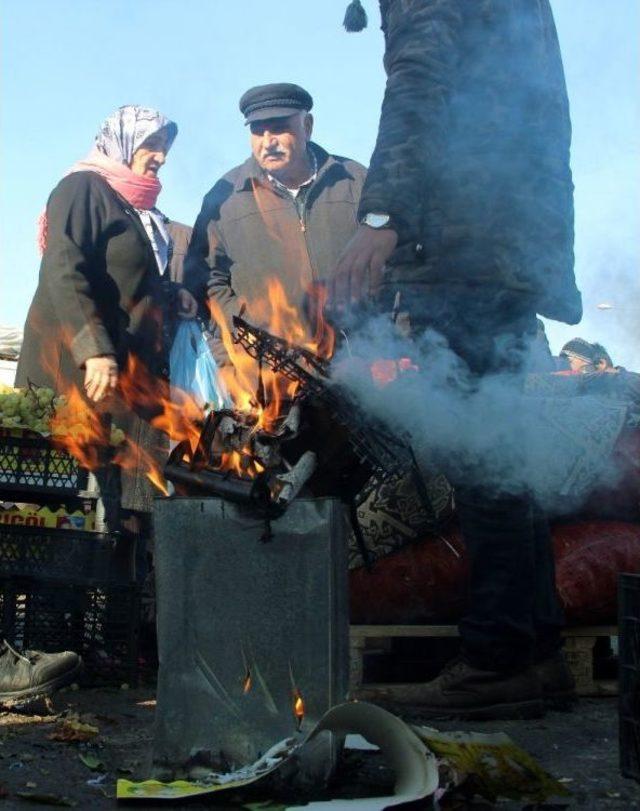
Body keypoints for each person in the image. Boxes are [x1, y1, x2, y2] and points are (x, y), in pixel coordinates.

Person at [336, 1, 583, 718]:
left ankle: (503, 653)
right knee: (500, 453)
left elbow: (419, 79)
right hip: (511, 240)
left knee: (481, 457)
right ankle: (531, 650)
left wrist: (381, 216)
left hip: (466, 245)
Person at [17, 105, 197, 565]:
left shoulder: (138, 211)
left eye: (165, 148)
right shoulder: (83, 188)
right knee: (66, 507)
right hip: (76, 375)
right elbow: (63, 265)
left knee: (118, 512)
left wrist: (172, 294)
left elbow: (125, 280)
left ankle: (110, 627)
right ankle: (53, 626)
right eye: (152, 145)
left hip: (125, 382)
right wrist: (93, 347)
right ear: (122, 141)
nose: (160, 157)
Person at [185, 83, 367, 364]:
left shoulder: (355, 182)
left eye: (279, 128)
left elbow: (397, 264)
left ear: (307, 126)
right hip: (273, 375)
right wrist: (247, 335)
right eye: (258, 131)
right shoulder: (224, 198)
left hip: (363, 362)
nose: (268, 141)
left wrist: (399, 342)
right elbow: (206, 281)